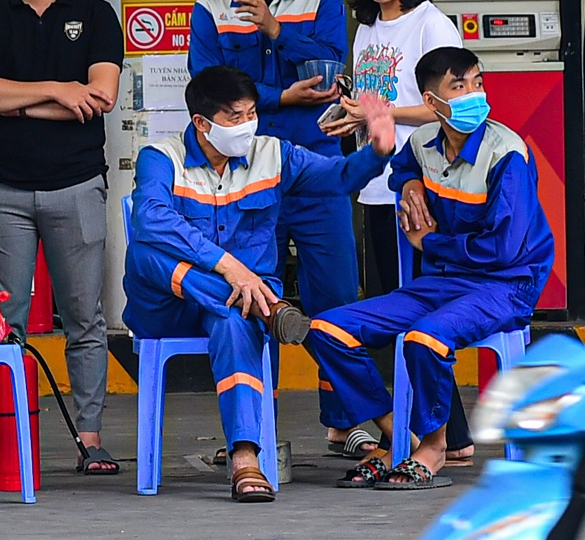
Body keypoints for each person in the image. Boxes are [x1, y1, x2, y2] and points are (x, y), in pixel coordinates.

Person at [122, 66, 397, 502]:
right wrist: (227, 266)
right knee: (145, 252)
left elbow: (338, 178)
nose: (247, 125)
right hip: (170, 306)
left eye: (251, 113)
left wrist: (378, 150)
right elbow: (151, 217)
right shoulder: (162, 157)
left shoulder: (273, 154)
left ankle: (245, 460)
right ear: (201, 123)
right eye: (234, 117)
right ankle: (272, 310)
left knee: (232, 319)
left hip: (238, 306)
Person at [309, 46, 553, 491]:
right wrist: (410, 185)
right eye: (458, 87)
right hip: (443, 281)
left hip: (505, 283)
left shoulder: (506, 154)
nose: (473, 95)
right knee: (327, 330)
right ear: (432, 102)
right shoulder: (423, 143)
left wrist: (431, 242)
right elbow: (401, 167)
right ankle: (396, 432)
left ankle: (434, 447)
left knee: (424, 339)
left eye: (477, 83)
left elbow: (503, 249)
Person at [0, 0, 124, 477]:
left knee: (85, 317)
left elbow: (99, 98)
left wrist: (18, 101)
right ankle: (10, 442)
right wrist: (56, 88)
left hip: (76, 185)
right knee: (7, 323)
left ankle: (91, 439)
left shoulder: (97, 13)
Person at [187, 0, 355, 455]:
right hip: (245, 182)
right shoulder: (210, 10)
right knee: (257, 297)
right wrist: (281, 95)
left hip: (314, 171)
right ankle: (259, 431)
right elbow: (209, 86)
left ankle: (345, 419)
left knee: (334, 296)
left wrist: (277, 29)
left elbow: (333, 65)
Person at [321, 0, 465, 460]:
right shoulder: (367, 32)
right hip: (377, 186)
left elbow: (448, 107)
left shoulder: (432, 25)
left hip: (421, 188)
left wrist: (376, 110)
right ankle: (448, 434)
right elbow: (373, 111)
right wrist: (350, 117)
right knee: (398, 310)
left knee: (424, 313)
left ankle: (447, 436)